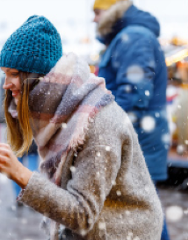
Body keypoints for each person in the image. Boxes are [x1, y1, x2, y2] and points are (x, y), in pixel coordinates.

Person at [0, 15, 163, 240]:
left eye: (14, 74)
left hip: (122, 233)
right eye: (4, 74)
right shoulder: (57, 110)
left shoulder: (96, 122)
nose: (6, 84)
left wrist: (19, 173)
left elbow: (81, 215)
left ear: (37, 76)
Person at [93, 1, 170, 239]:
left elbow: (134, 94)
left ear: (112, 9)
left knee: (143, 213)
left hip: (138, 139)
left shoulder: (133, 37)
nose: (94, 19)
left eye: (96, 12)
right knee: (141, 211)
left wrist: (105, 130)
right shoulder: (128, 36)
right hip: (138, 136)